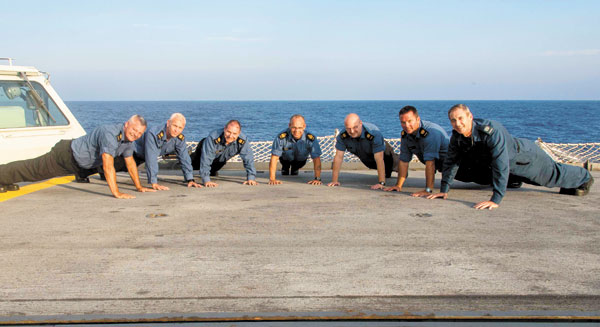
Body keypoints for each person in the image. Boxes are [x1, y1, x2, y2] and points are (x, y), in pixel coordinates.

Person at [428, 104, 594, 210]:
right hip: (503, 166)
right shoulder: (457, 136)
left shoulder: (492, 131)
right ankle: (512, 181)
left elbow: (501, 163)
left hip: (524, 158)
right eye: (453, 120)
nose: (457, 123)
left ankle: (584, 178)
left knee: (551, 178)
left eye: (460, 118)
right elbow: (451, 162)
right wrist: (444, 190)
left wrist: (496, 199)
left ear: (470, 116)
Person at [0, 115, 155, 199]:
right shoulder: (110, 133)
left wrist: (139, 187)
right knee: (32, 171)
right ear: (127, 124)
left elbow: (130, 163)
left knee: (31, 172)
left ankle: (6, 179)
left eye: (140, 133)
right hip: (65, 156)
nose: (136, 134)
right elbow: (108, 165)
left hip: (79, 163)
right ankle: (3, 175)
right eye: (134, 129)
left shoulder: (127, 140)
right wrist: (116, 193)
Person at [101, 113, 202, 190]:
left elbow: (184, 158)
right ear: (168, 123)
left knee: (117, 169)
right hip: (134, 153)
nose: (177, 130)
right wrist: (154, 182)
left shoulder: (179, 139)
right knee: (108, 167)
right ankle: (94, 169)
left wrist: (190, 179)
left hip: (143, 158)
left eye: (180, 128)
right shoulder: (154, 133)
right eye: (175, 126)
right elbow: (151, 158)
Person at [384, 106, 450, 197]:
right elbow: (403, 161)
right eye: (403, 122)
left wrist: (428, 190)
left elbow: (430, 163)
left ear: (418, 119)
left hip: (457, 167)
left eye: (410, 121)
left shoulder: (430, 133)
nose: (406, 125)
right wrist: (398, 186)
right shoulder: (406, 135)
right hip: (443, 168)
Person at [327, 113, 398, 189]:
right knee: (374, 166)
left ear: (360, 123)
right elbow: (338, 157)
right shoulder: (342, 136)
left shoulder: (373, 133)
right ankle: (387, 173)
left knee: (397, 166)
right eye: (348, 128)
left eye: (355, 127)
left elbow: (379, 159)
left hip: (383, 153)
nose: (352, 131)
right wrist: (334, 181)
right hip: (367, 157)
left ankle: (392, 170)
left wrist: (381, 183)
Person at [191, 120, 257, 187]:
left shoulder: (242, 141)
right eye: (228, 132)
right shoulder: (213, 137)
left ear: (239, 133)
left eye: (234, 133)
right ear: (224, 129)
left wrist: (251, 178)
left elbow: (248, 159)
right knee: (193, 165)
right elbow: (206, 158)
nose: (231, 136)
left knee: (213, 171)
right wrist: (206, 180)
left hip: (220, 160)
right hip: (202, 153)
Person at [268, 114, 322, 185]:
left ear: (304, 127)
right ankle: (285, 168)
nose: (297, 131)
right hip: (285, 160)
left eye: (299, 127)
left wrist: (317, 179)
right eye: (294, 127)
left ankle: (295, 169)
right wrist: (272, 179)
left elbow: (316, 158)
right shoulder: (281, 137)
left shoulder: (310, 138)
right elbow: (274, 157)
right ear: (289, 125)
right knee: (285, 171)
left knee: (294, 171)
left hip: (300, 161)